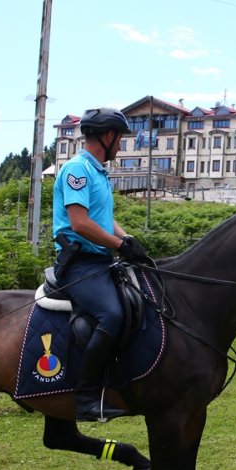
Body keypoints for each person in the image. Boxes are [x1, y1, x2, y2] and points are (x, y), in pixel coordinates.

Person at [52, 107, 148, 422]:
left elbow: (103, 219)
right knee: (112, 313)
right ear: (107, 136)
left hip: (101, 260)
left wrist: (127, 238)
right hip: (80, 264)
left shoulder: (99, 173)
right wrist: (120, 245)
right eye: (119, 138)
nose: (121, 145)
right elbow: (80, 223)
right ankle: (86, 398)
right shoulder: (77, 171)